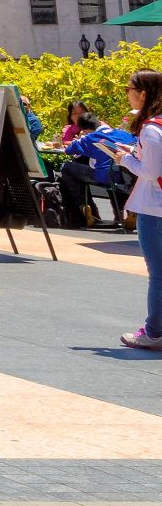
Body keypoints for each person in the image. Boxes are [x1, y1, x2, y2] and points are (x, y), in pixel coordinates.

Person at [112, 69, 162, 349]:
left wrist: (125, 160)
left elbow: (151, 170)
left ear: (143, 93)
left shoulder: (151, 128)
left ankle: (154, 332)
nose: (127, 93)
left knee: (158, 274)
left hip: (155, 209)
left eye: (129, 88)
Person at [60, 108, 134, 228]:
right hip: (126, 178)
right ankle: (129, 213)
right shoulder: (124, 134)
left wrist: (81, 139)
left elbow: (68, 150)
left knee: (67, 167)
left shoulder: (90, 137)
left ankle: (83, 206)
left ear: (85, 129)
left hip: (104, 177)